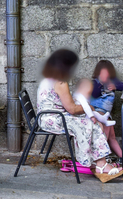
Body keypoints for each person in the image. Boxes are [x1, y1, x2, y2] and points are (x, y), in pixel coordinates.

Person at [37, 49, 121, 182]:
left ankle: (99, 163)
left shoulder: (49, 78)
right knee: (89, 123)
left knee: (90, 121)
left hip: (46, 117)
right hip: (52, 119)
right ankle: (100, 165)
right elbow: (71, 109)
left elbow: (63, 102)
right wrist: (89, 108)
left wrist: (84, 107)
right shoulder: (60, 82)